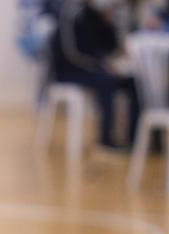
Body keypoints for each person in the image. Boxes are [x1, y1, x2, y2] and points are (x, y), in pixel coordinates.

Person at [50, 0, 141, 151]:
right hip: (69, 71)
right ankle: (106, 141)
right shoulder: (71, 13)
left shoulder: (98, 15)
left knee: (132, 82)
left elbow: (110, 46)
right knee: (107, 81)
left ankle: (134, 140)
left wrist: (108, 23)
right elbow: (71, 54)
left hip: (96, 68)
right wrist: (101, 66)